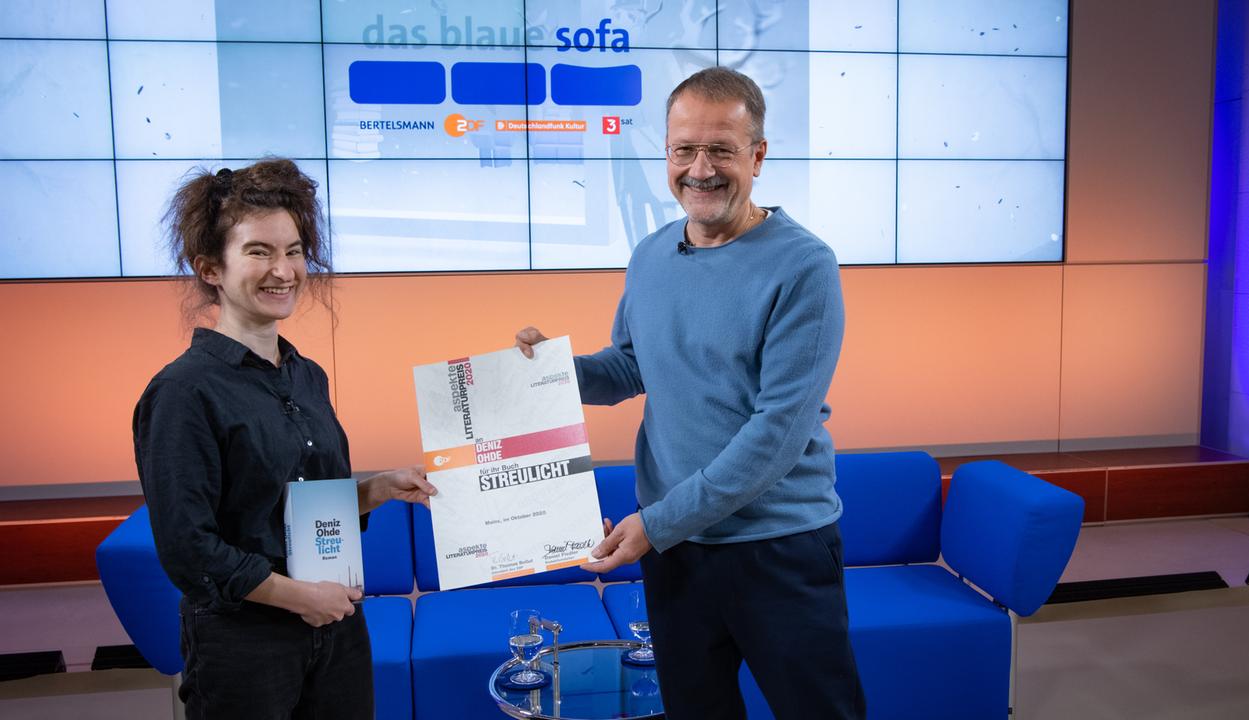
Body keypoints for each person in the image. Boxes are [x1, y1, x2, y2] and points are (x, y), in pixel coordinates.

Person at [516, 67, 866, 719]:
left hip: (777, 545)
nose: (700, 170)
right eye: (684, 150)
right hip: (678, 548)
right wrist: (552, 371)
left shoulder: (804, 266)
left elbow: (777, 435)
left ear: (757, 156)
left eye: (720, 150)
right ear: (667, 154)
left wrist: (656, 524)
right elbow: (631, 366)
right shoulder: (651, 254)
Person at [133, 158, 437, 719]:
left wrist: (378, 489)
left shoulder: (306, 375)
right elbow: (188, 549)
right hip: (245, 642)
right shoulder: (182, 392)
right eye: (259, 252)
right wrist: (300, 597)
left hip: (335, 623)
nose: (284, 270)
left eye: (294, 251)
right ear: (210, 268)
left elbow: (297, 505)